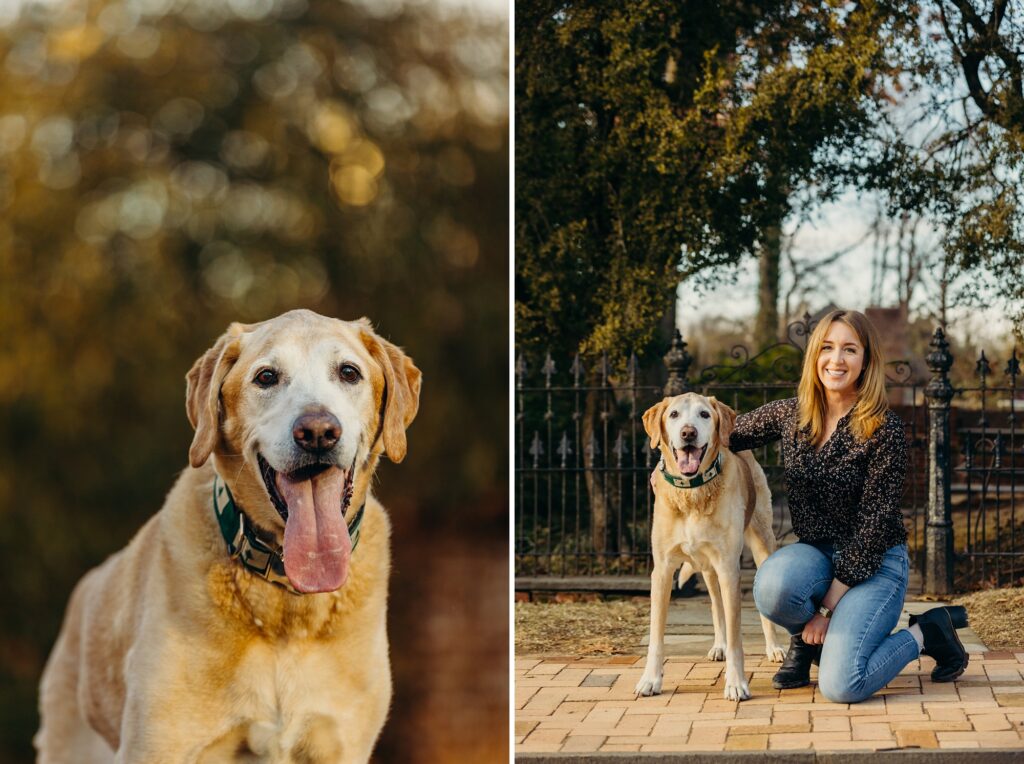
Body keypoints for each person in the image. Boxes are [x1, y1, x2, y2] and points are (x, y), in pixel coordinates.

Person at [725, 309, 968, 703]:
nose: (836, 360)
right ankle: (806, 643)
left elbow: (873, 526)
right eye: (827, 347)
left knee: (843, 685)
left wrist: (825, 611)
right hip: (816, 555)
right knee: (771, 588)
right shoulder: (791, 413)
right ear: (814, 356)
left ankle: (927, 632)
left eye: (849, 350)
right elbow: (721, 433)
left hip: (875, 565)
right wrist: (668, 461)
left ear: (866, 360)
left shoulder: (883, 429)